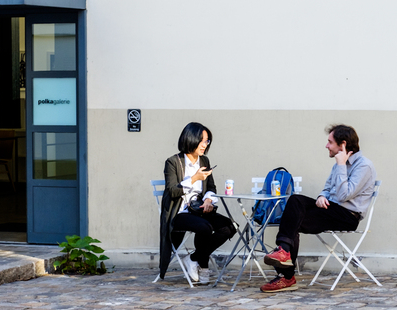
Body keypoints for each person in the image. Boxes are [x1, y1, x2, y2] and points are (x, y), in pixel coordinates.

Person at [260, 124, 377, 292]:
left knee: (294, 220)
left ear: (342, 144)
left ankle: (286, 276)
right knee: (295, 202)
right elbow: (328, 188)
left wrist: (342, 165)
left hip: (348, 216)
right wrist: (322, 196)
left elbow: (345, 195)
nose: (326, 145)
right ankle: (284, 254)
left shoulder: (363, 166)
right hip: (332, 209)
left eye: (330, 142)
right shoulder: (339, 163)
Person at [159, 122, 237, 284]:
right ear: (191, 139)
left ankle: (194, 258)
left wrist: (209, 199)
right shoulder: (173, 162)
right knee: (204, 227)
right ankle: (203, 265)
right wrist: (194, 178)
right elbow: (172, 191)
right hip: (180, 213)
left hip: (199, 209)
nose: (205, 145)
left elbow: (211, 187)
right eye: (202, 140)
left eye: (207, 141)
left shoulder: (204, 161)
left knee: (229, 227)